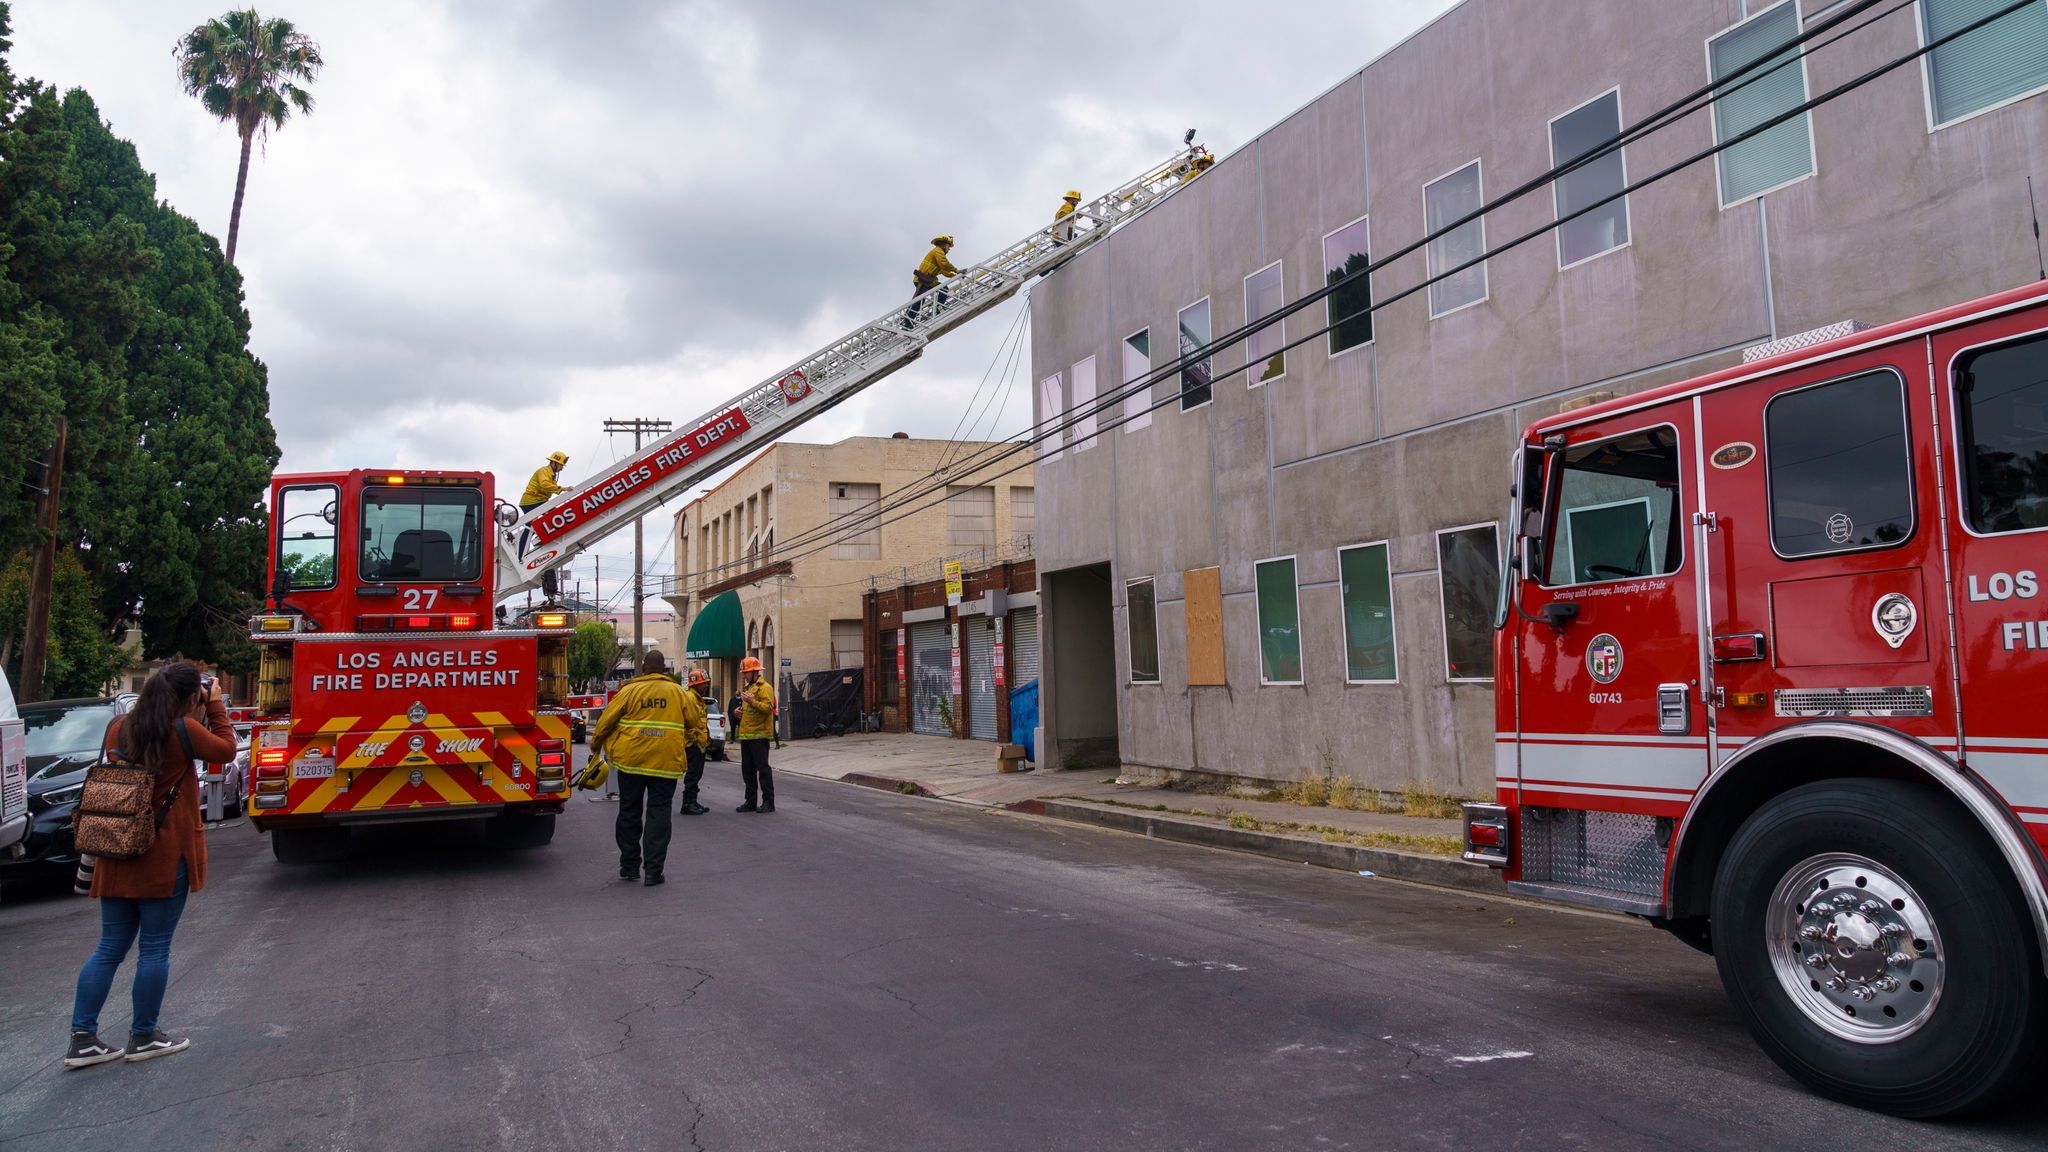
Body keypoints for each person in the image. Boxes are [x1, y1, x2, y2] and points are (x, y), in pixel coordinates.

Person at [64, 662, 234, 1069]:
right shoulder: (184, 731)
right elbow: (226, 750)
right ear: (190, 696)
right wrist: (215, 706)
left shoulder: (118, 728)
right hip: (161, 855)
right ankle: (143, 1035)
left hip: (116, 849)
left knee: (108, 948)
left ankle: (82, 1039)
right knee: (155, 947)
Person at [591, 651, 703, 886]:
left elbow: (605, 721)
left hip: (631, 762)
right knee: (658, 814)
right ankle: (653, 871)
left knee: (629, 811)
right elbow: (693, 720)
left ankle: (629, 866)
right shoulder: (677, 693)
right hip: (665, 764)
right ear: (663, 669)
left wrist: (596, 747)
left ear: (643, 667)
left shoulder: (629, 691)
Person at [518, 451, 572, 601]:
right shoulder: (544, 471)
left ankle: (525, 549)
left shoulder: (551, 473)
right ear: (554, 463)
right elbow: (545, 485)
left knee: (530, 527)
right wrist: (562, 489)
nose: (561, 468)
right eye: (560, 465)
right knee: (552, 515)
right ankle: (539, 540)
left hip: (534, 501)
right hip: (532, 501)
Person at [734, 656, 777, 813]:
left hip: (759, 736)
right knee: (748, 771)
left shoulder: (765, 688)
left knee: (763, 769)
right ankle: (750, 801)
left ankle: (768, 802)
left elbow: (767, 709)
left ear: (754, 672)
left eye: (746, 673)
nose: (744, 676)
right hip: (747, 736)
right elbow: (749, 712)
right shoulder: (749, 689)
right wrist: (738, 712)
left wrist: (753, 702)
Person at [679, 668, 714, 816]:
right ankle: (688, 804)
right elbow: (688, 722)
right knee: (692, 774)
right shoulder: (691, 698)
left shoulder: (698, 699)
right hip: (693, 744)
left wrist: (707, 737)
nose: (706, 686)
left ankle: (693, 801)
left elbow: (701, 721)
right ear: (695, 684)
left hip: (699, 743)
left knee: (696, 774)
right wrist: (693, 739)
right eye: (703, 683)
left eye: (706, 683)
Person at [903, 235, 960, 327]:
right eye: (949, 246)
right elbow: (944, 264)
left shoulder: (937, 253)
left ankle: (938, 309)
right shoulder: (938, 251)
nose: (949, 249)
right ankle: (908, 321)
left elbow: (943, 270)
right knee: (920, 300)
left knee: (943, 289)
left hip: (928, 280)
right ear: (944, 245)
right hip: (923, 280)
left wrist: (955, 275)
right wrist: (957, 270)